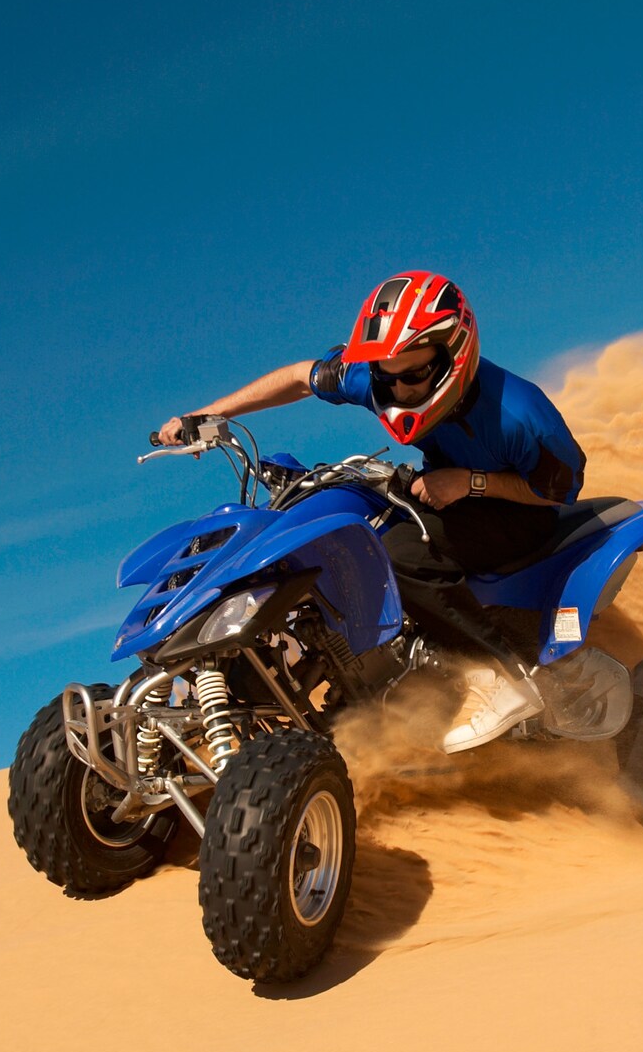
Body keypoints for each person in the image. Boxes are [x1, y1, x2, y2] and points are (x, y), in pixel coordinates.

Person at [155, 270, 587, 752]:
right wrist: (212, 414)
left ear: (454, 355)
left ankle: (500, 676)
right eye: (386, 375)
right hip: (440, 492)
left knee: (396, 550)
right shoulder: (378, 375)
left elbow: (559, 492)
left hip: (517, 512)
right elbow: (302, 377)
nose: (398, 389)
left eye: (413, 375)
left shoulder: (521, 413)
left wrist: (470, 482)